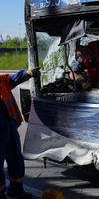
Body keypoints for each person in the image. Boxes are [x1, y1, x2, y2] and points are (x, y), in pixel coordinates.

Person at [0, 68, 40, 199]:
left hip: (8, 127)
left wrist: (27, 73)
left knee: (15, 158)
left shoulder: (1, 80)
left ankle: (16, 189)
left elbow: (11, 80)